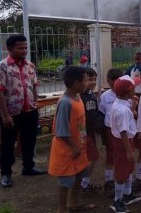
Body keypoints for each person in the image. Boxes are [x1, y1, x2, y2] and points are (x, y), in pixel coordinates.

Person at [0, 35, 46, 188]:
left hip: (29, 110)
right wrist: (5, 115)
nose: (24, 50)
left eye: (25, 47)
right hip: (11, 114)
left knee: (30, 140)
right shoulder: (1, 67)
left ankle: (28, 167)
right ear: (10, 49)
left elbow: (34, 85)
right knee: (8, 144)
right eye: (20, 48)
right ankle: (6, 173)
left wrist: (35, 103)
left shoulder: (30, 65)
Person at [48, 66, 95, 213]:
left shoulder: (78, 97)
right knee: (66, 180)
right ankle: (62, 209)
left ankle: (73, 203)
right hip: (68, 149)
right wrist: (74, 147)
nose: (87, 83)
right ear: (76, 83)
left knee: (80, 172)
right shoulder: (65, 103)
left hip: (78, 147)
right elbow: (60, 131)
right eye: (85, 80)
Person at [109, 76, 141, 213]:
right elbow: (123, 131)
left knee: (128, 168)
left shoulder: (121, 104)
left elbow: (130, 114)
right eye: (134, 87)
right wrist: (129, 151)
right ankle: (117, 200)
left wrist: (133, 105)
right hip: (123, 143)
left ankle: (127, 194)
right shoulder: (122, 110)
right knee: (122, 170)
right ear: (129, 90)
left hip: (126, 141)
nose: (135, 89)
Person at [99, 68, 123, 195]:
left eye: (118, 81)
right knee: (110, 155)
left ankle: (122, 180)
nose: (115, 84)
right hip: (109, 130)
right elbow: (102, 112)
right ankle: (108, 182)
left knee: (122, 155)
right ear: (108, 82)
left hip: (122, 130)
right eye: (112, 81)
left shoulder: (125, 94)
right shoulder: (105, 96)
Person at [80, 68, 104, 193]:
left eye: (94, 79)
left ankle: (83, 183)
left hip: (90, 132)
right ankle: (83, 184)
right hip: (84, 133)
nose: (93, 82)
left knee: (90, 157)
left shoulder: (92, 96)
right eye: (90, 79)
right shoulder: (79, 97)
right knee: (93, 157)